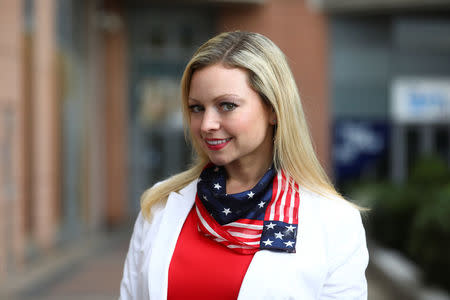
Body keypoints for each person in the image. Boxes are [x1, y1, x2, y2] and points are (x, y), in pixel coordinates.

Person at [119, 31, 368, 300]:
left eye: (226, 105)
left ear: (274, 108)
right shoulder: (159, 205)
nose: (206, 125)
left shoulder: (334, 221)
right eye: (196, 108)